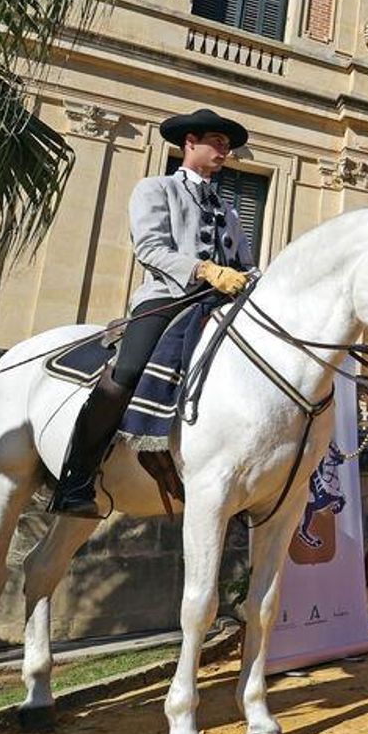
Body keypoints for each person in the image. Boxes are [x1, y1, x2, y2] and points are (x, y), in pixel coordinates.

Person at [49, 108, 253, 517]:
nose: (223, 151)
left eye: (227, 146)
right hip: (168, 297)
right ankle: (75, 480)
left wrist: (251, 277)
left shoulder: (229, 211)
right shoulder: (156, 189)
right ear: (189, 144)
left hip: (220, 304)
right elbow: (150, 248)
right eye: (216, 141)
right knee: (125, 374)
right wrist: (204, 269)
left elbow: (243, 262)